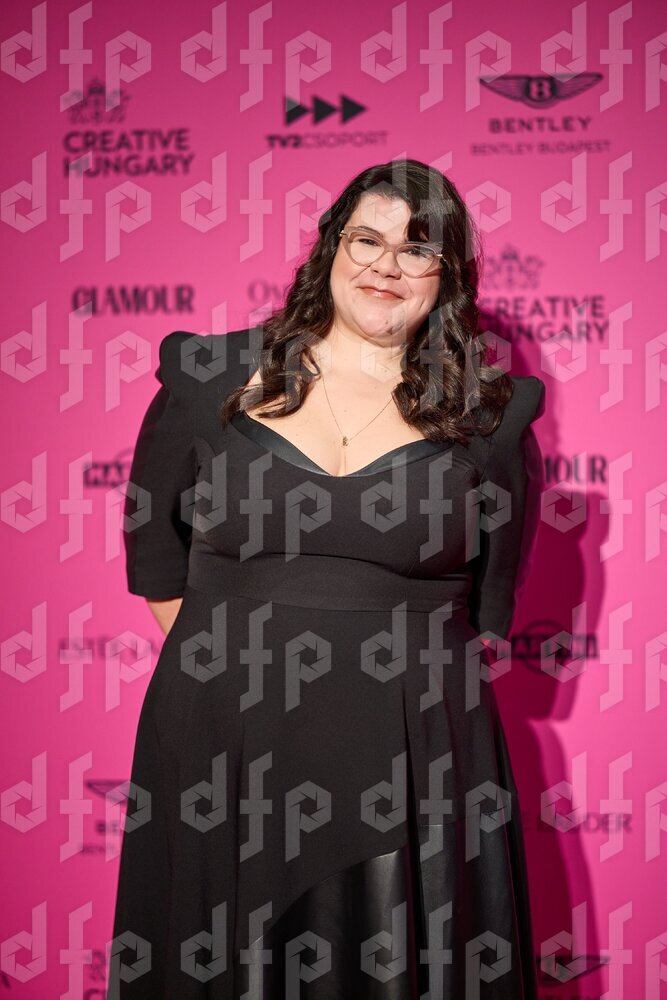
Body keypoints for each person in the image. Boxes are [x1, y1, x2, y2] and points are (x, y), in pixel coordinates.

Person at [108, 158, 546, 999]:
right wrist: (238, 672)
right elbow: (155, 555)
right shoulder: (207, 378)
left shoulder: (489, 413)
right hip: (222, 745)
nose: (386, 266)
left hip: (413, 753)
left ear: (448, 276)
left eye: (416, 250)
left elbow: (489, 599)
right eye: (366, 240)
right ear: (330, 248)